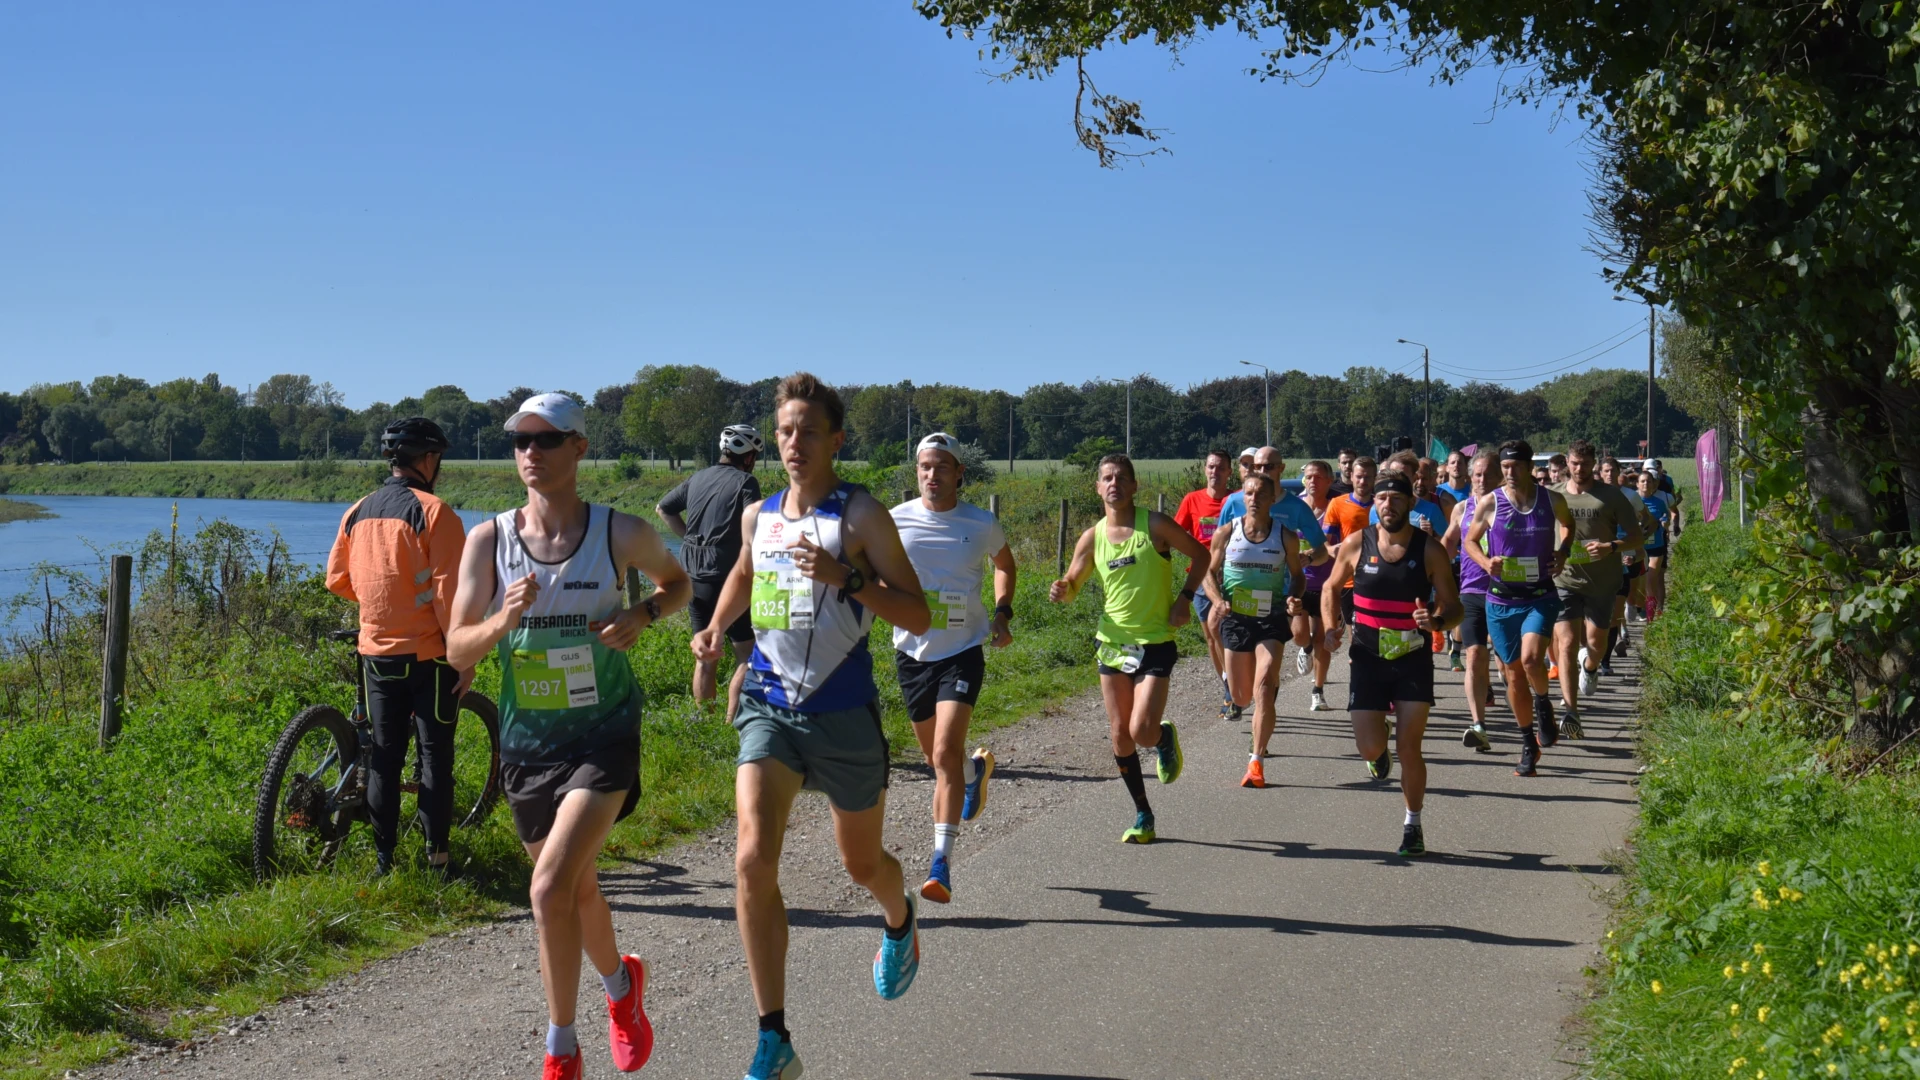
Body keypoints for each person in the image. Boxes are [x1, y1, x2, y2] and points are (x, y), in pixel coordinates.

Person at [686, 374, 932, 1080]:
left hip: (844, 712)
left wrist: (846, 578)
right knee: (751, 859)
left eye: (809, 431)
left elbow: (917, 616)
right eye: (786, 431)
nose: (795, 443)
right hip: (768, 705)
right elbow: (742, 573)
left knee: (862, 865)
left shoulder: (861, 517)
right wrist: (715, 630)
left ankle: (900, 919)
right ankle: (774, 1036)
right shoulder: (758, 516)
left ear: (836, 440)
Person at [446, 393, 691, 1080]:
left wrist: (644, 612)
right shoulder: (488, 541)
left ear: (579, 447)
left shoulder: (618, 533)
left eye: (546, 440)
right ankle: (622, 988)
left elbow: (679, 584)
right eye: (519, 441)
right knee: (576, 888)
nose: (530, 453)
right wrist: (501, 621)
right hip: (529, 743)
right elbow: (457, 649)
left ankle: (561, 1048)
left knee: (549, 888)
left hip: (604, 733)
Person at [325, 416, 471, 878]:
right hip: (430, 656)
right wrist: (463, 656)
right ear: (428, 460)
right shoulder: (435, 513)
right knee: (434, 755)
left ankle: (383, 861)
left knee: (385, 758)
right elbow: (451, 596)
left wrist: (379, 602)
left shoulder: (357, 510)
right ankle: (437, 863)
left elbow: (336, 580)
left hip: (375, 654)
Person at [1049, 453, 1211, 843]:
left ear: (1135, 485)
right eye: (1106, 478)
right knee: (1120, 734)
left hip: (1155, 642)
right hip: (1112, 643)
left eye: (1122, 477)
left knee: (1141, 730)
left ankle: (1161, 738)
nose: (1114, 484)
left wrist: (1185, 599)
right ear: (1097, 487)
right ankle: (1143, 813)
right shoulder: (1093, 536)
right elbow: (1073, 582)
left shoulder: (1153, 525)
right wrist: (1063, 589)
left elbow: (1202, 555)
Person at [890, 432, 1017, 905]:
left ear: (960, 472)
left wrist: (1002, 613)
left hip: (962, 649)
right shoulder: (894, 520)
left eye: (942, 466)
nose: (932, 475)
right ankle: (974, 771)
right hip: (912, 653)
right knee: (936, 757)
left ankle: (940, 862)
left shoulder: (981, 523)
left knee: (943, 751)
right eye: (925, 466)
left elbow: (1006, 565)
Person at [1321, 473, 1462, 857]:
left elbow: (1453, 608)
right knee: (1369, 749)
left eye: (1396, 498)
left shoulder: (1430, 550)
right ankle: (1377, 743)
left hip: (1412, 658)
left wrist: (1435, 622)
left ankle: (1413, 824)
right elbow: (1331, 588)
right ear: (1374, 504)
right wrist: (1332, 629)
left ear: (1410, 504)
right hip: (1366, 658)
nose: (1388, 504)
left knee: (1409, 748)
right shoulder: (1356, 543)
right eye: (1381, 498)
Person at [1464, 440, 1576, 776]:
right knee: (1513, 674)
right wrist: (1486, 563)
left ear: (1529, 466)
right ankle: (1528, 742)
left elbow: (1568, 524)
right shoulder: (1490, 502)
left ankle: (1543, 701)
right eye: (1505, 467)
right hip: (1500, 599)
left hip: (1539, 595)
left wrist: (1564, 550)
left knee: (1530, 659)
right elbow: (1469, 541)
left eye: (1515, 467)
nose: (1509, 473)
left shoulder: (1551, 499)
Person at [655, 424, 763, 719]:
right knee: (746, 651)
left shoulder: (698, 477)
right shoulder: (746, 482)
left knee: (705, 652)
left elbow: (663, 508)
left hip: (694, 577)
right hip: (729, 577)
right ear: (749, 456)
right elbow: (753, 524)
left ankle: (705, 721)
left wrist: (687, 538)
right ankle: (732, 720)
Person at [1204, 471, 1305, 788]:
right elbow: (1208, 572)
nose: (1254, 499)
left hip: (1270, 619)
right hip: (1236, 619)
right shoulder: (1226, 532)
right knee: (1242, 695)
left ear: (1272, 498)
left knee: (1264, 686)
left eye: (1261, 493)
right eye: (1249, 493)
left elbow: (1298, 576)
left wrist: (1294, 598)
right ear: (1242, 497)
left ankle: (1256, 762)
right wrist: (1217, 600)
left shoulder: (1285, 536)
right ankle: (1242, 702)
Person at [1550, 439, 1643, 732]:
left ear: (1593, 464)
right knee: (1565, 643)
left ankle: (1589, 667)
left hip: (1602, 582)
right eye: (1574, 463)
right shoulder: (1553, 495)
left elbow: (1637, 536)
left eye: (1585, 464)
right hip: (1563, 579)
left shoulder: (1611, 496)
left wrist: (1611, 547)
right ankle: (1571, 711)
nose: (1579, 469)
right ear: (1567, 462)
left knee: (1596, 645)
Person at [1218, 446, 1331, 679]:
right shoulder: (1234, 502)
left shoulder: (1297, 507)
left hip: (1281, 595)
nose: (1261, 470)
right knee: (1213, 624)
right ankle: (1235, 687)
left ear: (1281, 468)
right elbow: (1219, 548)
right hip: (1238, 593)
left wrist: (1307, 558)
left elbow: (1324, 550)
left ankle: (1298, 655)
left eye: (1268, 466)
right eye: (1256, 466)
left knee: (1294, 640)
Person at [1441, 448, 1499, 752]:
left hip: (1509, 594)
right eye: (1477, 474)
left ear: (1501, 477)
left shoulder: (1510, 507)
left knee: (1508, 661)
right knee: (1475, 654)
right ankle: (1479, 725)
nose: (1481, 479)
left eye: (1488, 474)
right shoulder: (1462, 508)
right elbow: (1448, 544)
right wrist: (1429, 572)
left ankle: (1537, 708)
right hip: (1473, 591)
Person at [1174, 449, 1237, 719]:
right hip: (1202, 576)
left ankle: (1237, 684)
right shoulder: (1192, 500)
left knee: (1226, 630)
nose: (1215, 472)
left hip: (1232, 574)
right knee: (1211, 636)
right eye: (1211, 467)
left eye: (1220, 468)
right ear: (1205, 470)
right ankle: (1228, 687)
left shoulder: (1235, 501)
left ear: (1229, 472)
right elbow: (1177, 534)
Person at [1317, 455, 1377, 712]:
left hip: (1380, 579)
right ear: (1351, 477)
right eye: (1358, 476)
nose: (1362, 481)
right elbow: (1326, 544)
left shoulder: (1381, 503)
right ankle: (1362, 687)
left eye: (1367, 477)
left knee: (1375, 634)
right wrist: (1335, 551)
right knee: (1358, 636)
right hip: (1351, 582)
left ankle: (1378, 683)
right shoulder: (1337, 504)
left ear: (1375, 479)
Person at [1297, 460, 1338, 689]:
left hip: (1326, 582)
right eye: (1309, 477)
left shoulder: (1335, 507)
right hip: (1299, 580)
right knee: (1300, 634)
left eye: (1319, 477)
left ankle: (1318, 689)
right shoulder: (1296, 506)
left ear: (1329, 481)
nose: (1313, 481)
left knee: (1322, 637)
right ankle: (1305, 648)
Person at [1636, 468, 1674, 620]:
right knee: (1639, 583)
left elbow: (1666, 518)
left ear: (1653, 485)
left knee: (1651, 579)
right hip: (1637, 547)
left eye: (1649, 481)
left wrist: (1665, 523)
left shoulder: (1659, 503)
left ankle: (1650, 617)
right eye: (1643, 481)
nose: (1646, 484)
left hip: (1656, 546)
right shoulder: (1631, 502)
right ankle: (1639, 607)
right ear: (1637, 484)